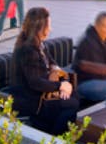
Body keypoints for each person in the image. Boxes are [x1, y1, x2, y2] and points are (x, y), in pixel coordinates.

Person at [10, 7, 79, 135]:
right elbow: (35, 82)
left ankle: (47, 130)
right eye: (48, 26)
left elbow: (52, 63)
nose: (50, 29)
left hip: (39, 92)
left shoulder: (38, 44)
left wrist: (59, 75)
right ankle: (54, 140)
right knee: (72, 103)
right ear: (40, 28)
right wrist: (60, 85)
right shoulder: (28, 49)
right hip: (30, 98)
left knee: (72, 95)